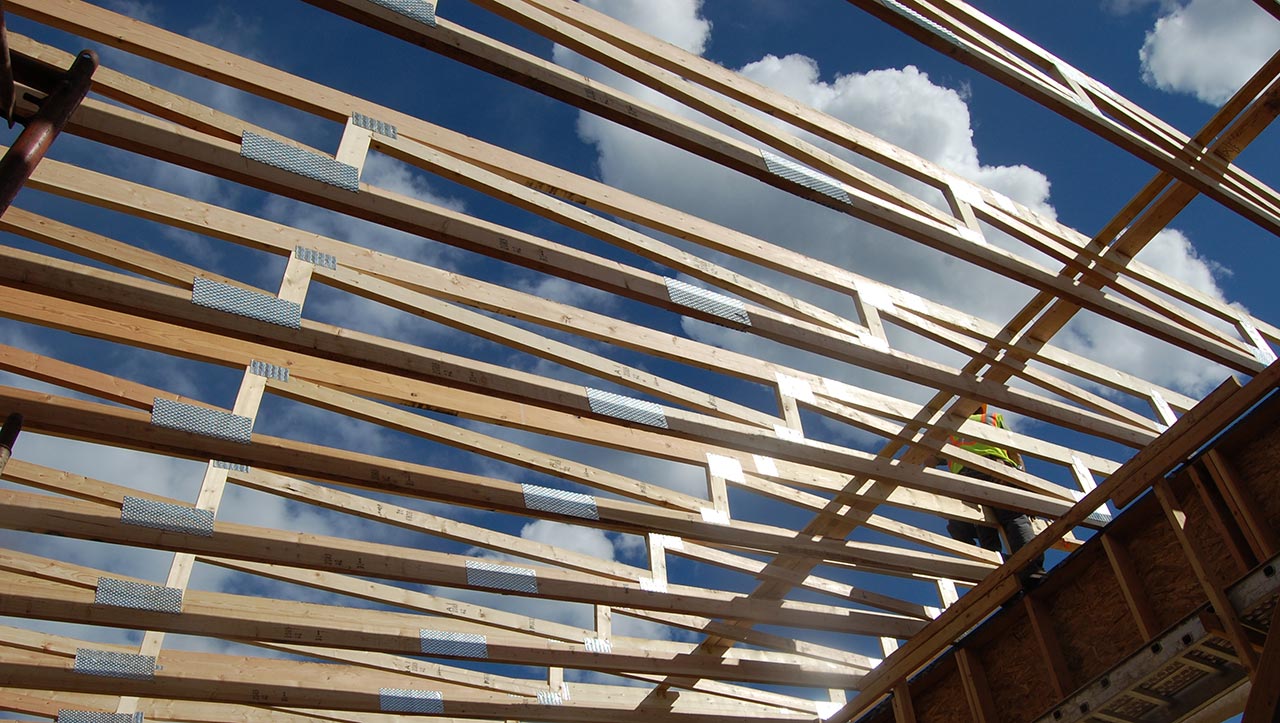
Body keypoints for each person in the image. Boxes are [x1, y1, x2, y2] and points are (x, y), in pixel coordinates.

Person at [929, 404, 1045, 586]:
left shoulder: (949, 432)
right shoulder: (992, 418)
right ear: (981, 409)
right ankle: (1030, 569)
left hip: (966, 481)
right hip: (996, 470)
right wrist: (1022, 483)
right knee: (1015, 518)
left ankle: (998, 577)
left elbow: (929, 459)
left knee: (984, 526)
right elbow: (1013, 451)